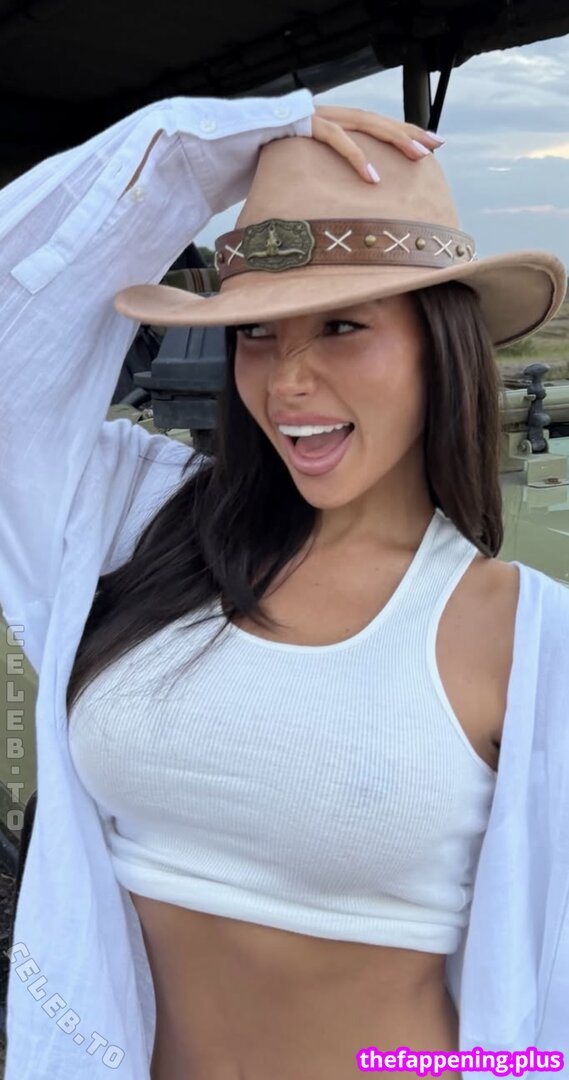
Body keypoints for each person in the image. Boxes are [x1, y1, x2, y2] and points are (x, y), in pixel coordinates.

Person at [0, 91, 568, 1080]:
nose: (286, 381)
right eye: (256, 332)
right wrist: (197, 147)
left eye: (341, 325)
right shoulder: (140, 526)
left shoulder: (519, 634)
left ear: (441, 344)